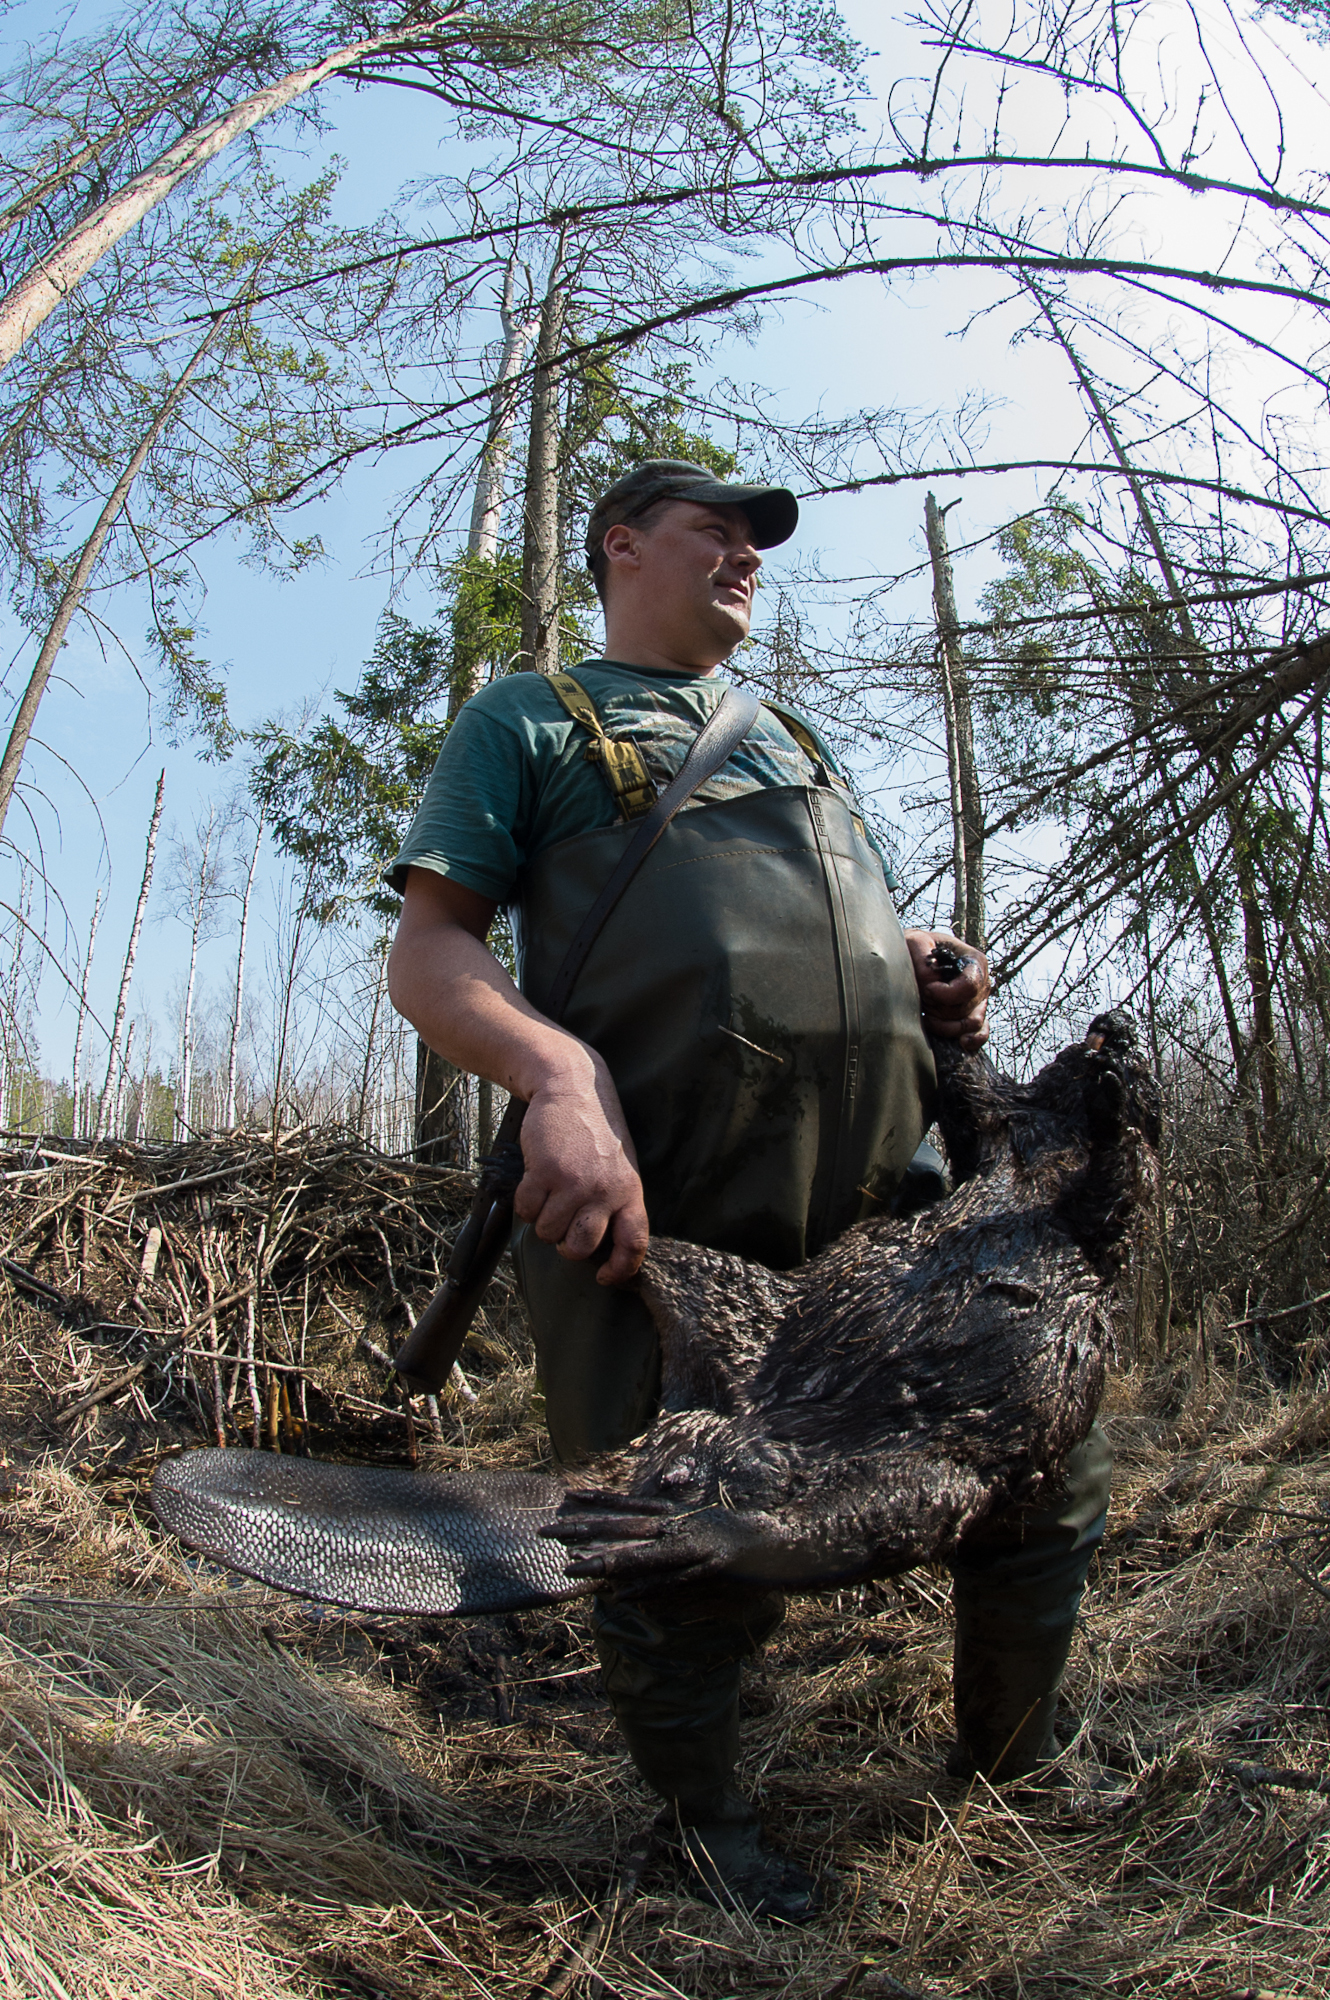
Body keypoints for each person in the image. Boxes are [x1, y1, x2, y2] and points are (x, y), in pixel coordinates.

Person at [386, 461, 1112, 1921]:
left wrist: (924, 968)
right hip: (658, 1200)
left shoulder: (794, 740)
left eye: (756, 541)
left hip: (881, 1208)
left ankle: (1018, 1771)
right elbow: (430, 957)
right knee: (675, 1515)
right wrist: (557, 1085)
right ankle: (703, 1829)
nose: (746, 557)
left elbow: (831, 934)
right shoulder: (531, 720)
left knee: (1035, 1462)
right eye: (715, 530)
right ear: (621, 546)